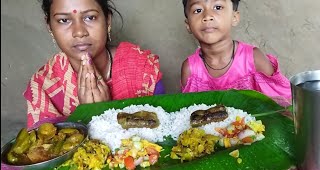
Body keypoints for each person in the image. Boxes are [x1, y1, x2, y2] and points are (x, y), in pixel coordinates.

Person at [23, 0, 165, 128]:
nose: (79, 32)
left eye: (90, 17)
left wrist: (107, 111)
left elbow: (161, 133)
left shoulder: (142, 69)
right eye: (64, 20)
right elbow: (42, 152)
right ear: (50, 27)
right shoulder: (43, 85)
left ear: (107, 21)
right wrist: (87, 115)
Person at [180, 0, 291, 106]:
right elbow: (190, 112)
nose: (207, 16)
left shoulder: (254, 59)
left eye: (217, 7)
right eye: (198, 10)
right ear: (188, 25)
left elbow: (284, 104)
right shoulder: (190, 70)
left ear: (234, 17)